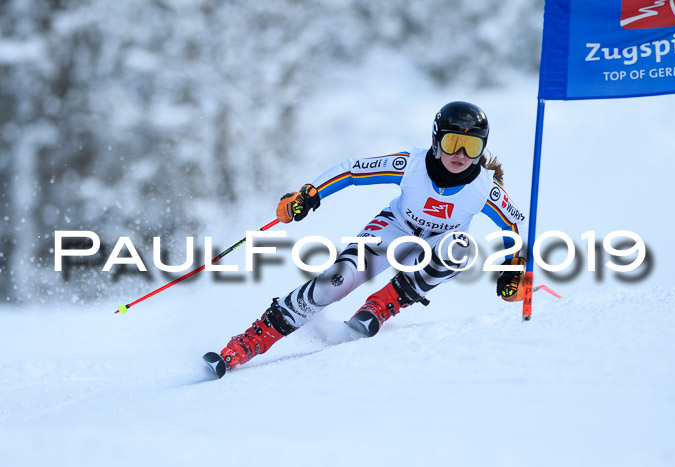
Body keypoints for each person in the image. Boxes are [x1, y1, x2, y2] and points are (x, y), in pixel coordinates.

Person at [216, 101, 526, 373]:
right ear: (436, 140)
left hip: (438, 244)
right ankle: (255, 337)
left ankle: (381, 306)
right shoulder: (411, 165)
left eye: (471, 147)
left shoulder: (485, 188)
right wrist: (309, 194)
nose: (459, 154)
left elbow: (518, 227)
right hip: (395, 229)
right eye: (452, 143)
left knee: (460, 249)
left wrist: (513, 269)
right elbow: (352, 171)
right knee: (336, 281)